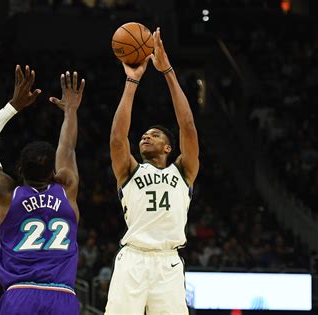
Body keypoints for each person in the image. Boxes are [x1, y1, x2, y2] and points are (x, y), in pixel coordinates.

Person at [0, 65, 85, 314]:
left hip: (19, 295)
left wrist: (13, 106)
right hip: (62, 296)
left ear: (18, 169)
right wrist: (71, 112)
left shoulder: (6, 195)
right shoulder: (67, 188)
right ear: (54, 173)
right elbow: (68, 148)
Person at [106, 27, 199, 314]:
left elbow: (188, 127)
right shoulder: (129, 170)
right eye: (144, 135)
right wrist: (131, 82)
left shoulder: (183, 172)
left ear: (169, 148)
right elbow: (117, 138)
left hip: (168, 263)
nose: (146, 137)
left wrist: (168, 72)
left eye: (155, 135)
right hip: (132, 259)